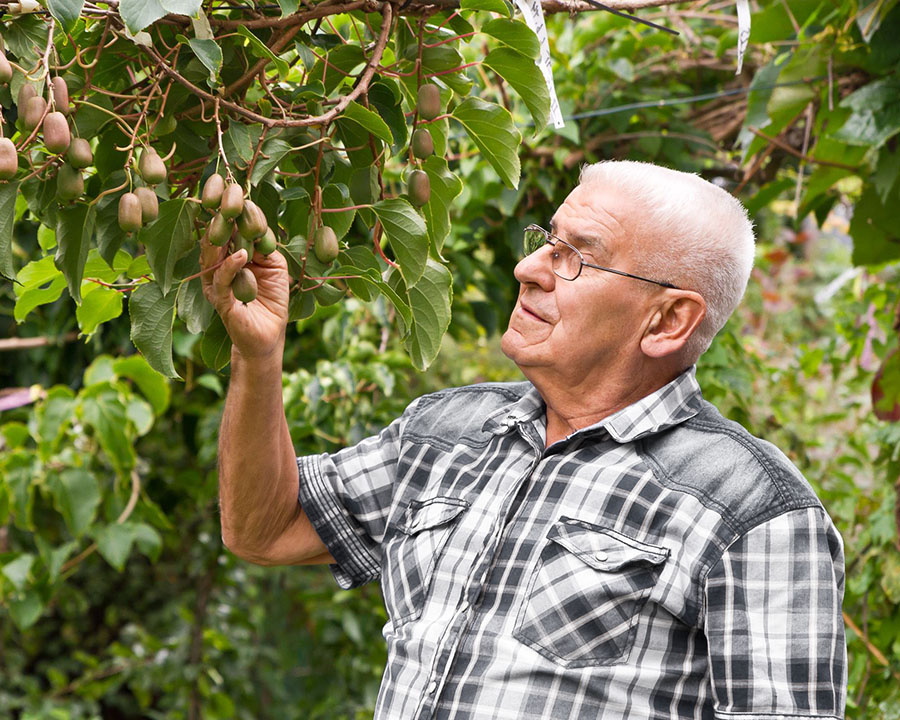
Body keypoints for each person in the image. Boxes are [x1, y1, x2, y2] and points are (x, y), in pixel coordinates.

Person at [201, 160, 847, 719]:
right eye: (547, 241)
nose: (528, 268)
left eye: (575, 257)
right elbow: (263, 526)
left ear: (668, 320)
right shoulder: (446, 434)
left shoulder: (753, 511)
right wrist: (258, 360)